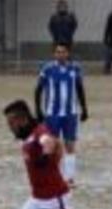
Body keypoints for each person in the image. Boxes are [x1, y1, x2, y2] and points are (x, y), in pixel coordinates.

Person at [34, 42, 88, 187]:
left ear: (68, 53)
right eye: (57, 52)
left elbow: (80, 89)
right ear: (54, 54)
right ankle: (52, 177)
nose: (60, 54)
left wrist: (84, 109)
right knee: (52, 146)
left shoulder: (75, 68)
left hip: (71, 113)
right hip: (52, 114)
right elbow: (38, 90)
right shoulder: (48, 69)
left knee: (70, 145)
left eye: (63, 52)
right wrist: (38, 110)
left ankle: (69, 178)